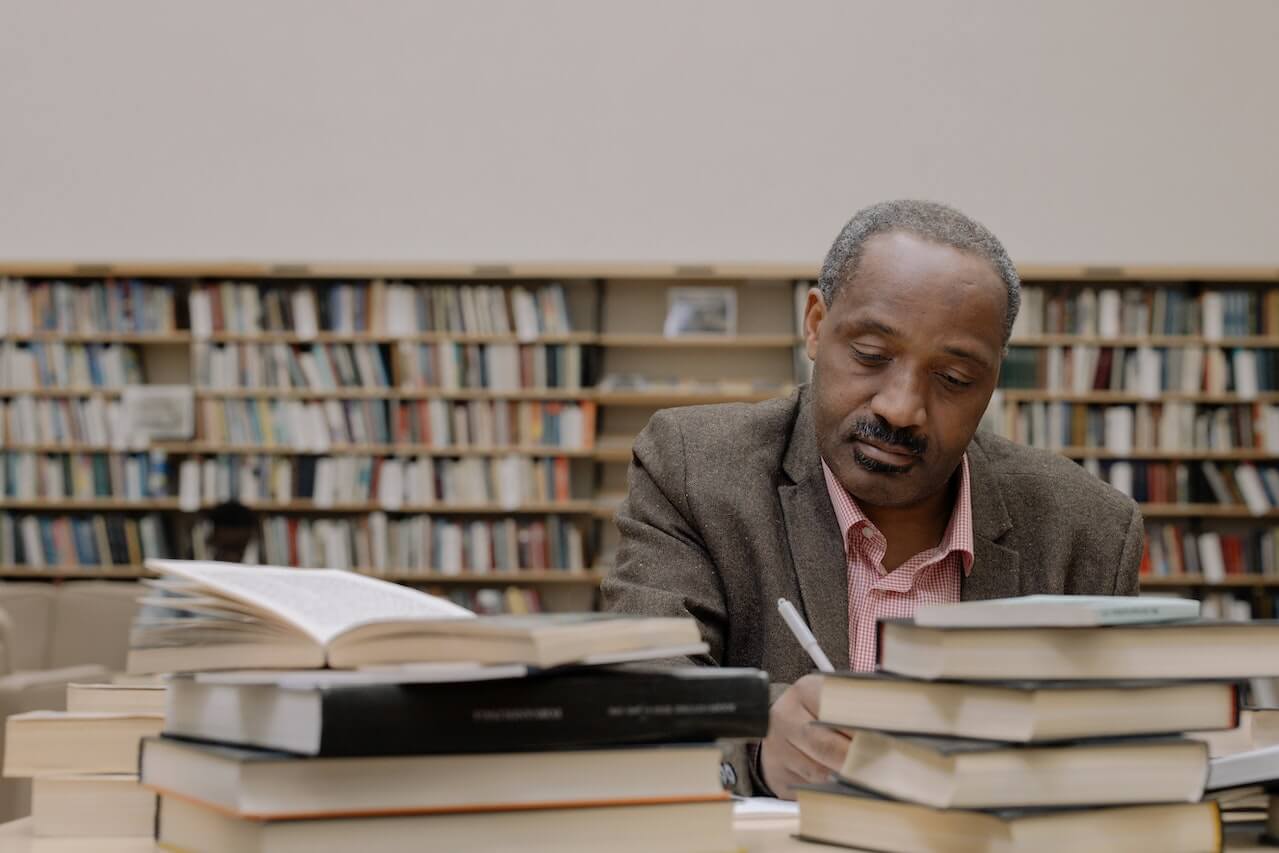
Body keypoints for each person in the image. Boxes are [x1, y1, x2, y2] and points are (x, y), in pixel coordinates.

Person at [602, 200, 1142, 798]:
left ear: (992, 380)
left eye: (954, 380)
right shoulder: (693, 467)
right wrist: (757, 744)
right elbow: (641, 685)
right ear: (815, 325)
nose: (902, 408)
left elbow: (1119, 752)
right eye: (871, 355)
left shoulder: (1089, 530)